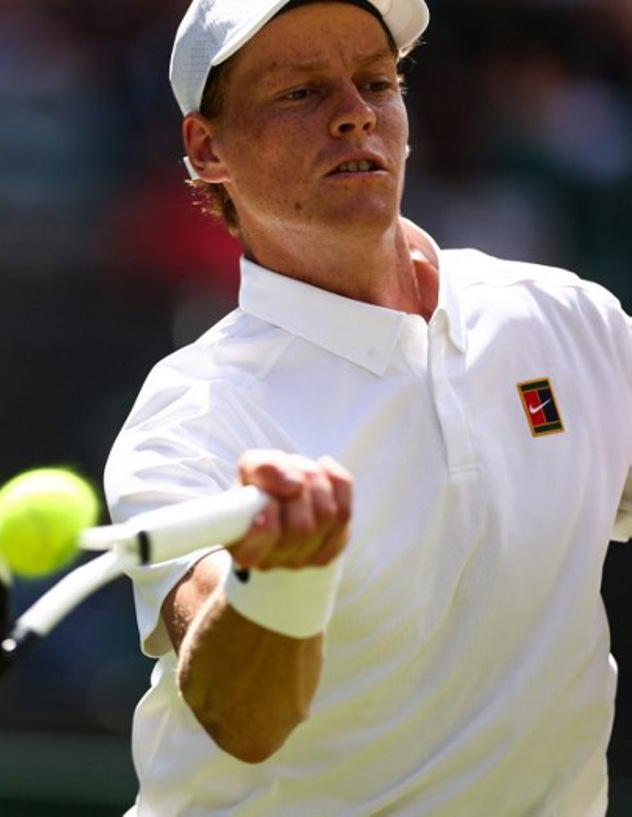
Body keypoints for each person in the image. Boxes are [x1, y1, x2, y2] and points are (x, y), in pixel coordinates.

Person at [103, 0, 632, 813]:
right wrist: (279, 582)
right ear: (209, 149)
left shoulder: (572, 319)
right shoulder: (192, 414)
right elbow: (243, 719)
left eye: (377, 83)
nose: (355, 115)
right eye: (300, 93)